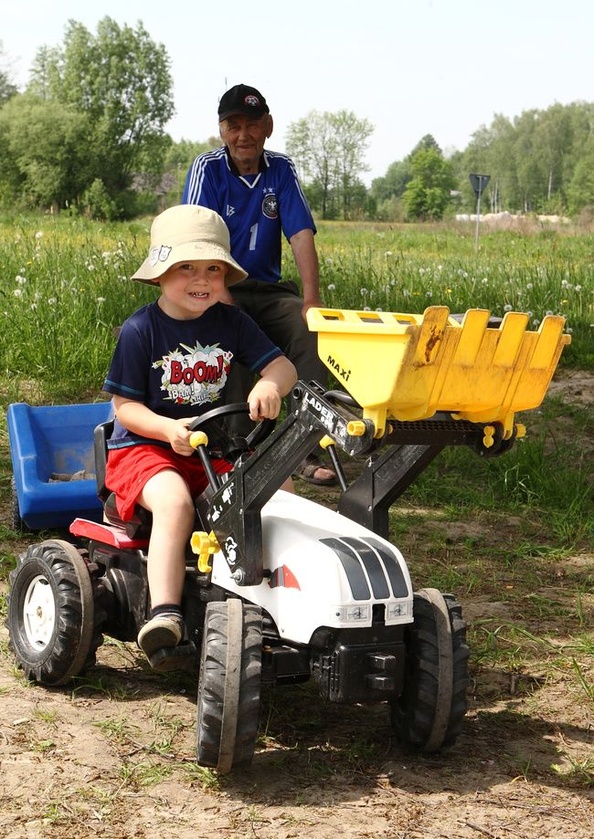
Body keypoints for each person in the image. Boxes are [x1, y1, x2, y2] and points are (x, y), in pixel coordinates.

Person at [103, 204, 297, 666]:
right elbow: (123, 408)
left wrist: (271, 384)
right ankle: (165, 612)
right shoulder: (141, 330)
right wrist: (168, 428)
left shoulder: (231, 323)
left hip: (208, 449)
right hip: (144, 450)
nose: (202, 279)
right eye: (186, 267)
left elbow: (283, 366)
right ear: (160, 274)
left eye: (213, 268)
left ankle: (271, 592)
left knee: (278, 488)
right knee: (175, 503)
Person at [182, 83, 337, 486]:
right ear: (221, 130)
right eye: (233, 125)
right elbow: (199, 243)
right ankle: (235, 450)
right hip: (215, 286)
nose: (243, 135)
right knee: (227, 330)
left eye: (252, 125)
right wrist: (224, 299)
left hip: (267, 288)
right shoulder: (208, 169)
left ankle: (304, 448)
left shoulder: (281, 169)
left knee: (311, 330)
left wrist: (311, 300)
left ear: (268, 126)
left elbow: (301, 235)